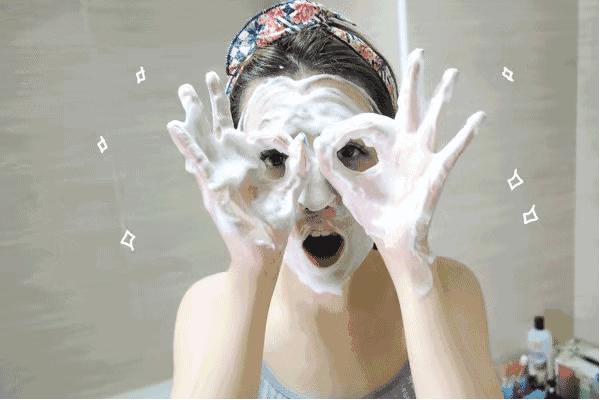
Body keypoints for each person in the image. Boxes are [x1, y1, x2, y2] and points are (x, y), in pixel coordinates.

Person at [167, 1, 501, 398]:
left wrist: (414, 273)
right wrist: (251, 273)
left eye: (350, 151)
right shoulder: (207, 309)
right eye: (276, 158)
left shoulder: (450, 290)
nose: (316, 198)